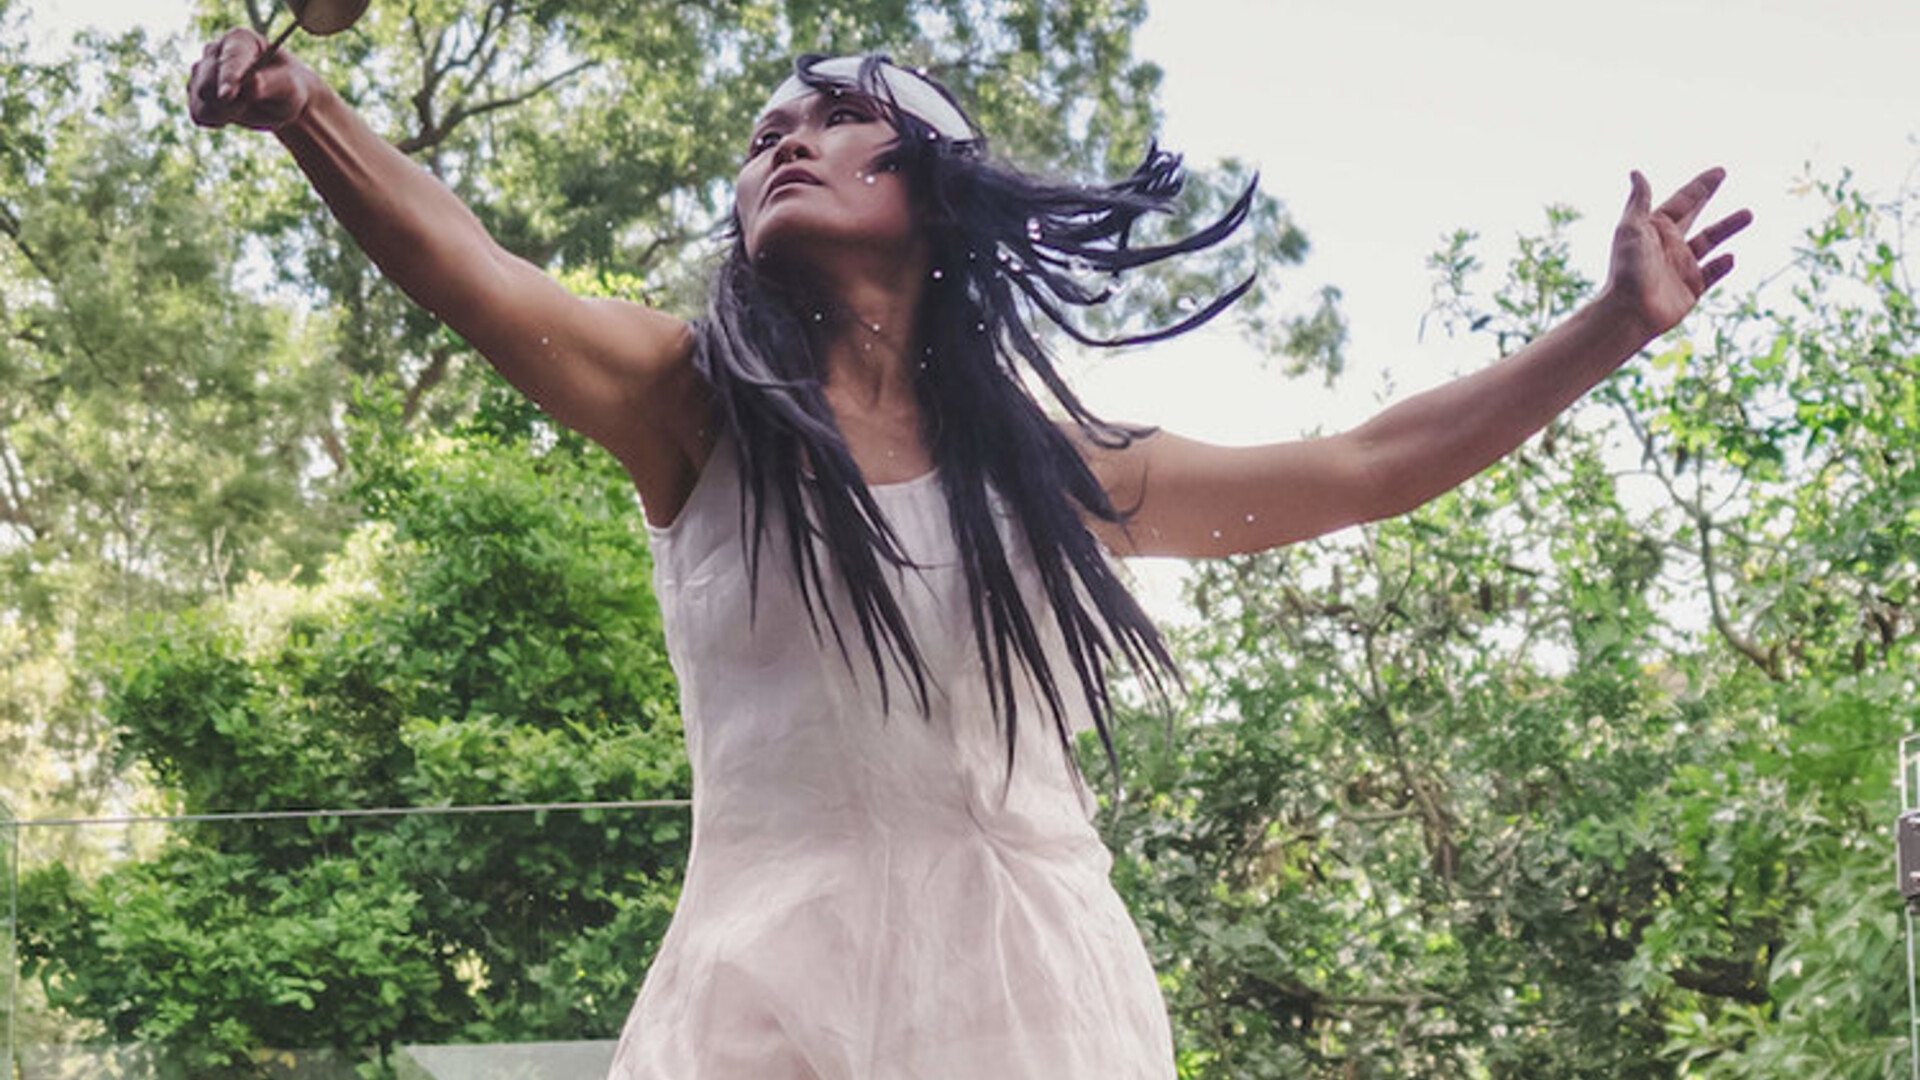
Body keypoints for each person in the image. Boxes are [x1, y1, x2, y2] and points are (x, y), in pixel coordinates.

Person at [188, 33, 1749, 1080]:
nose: (785, 143)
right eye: (761, 138)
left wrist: (1609, 325)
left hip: (1031, 995)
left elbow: (1358, 470)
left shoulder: (1054, 475)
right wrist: (307, 108)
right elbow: (470, 271)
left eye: (836, 117)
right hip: (763, 989)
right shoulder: (691, 414)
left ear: (931, 185)